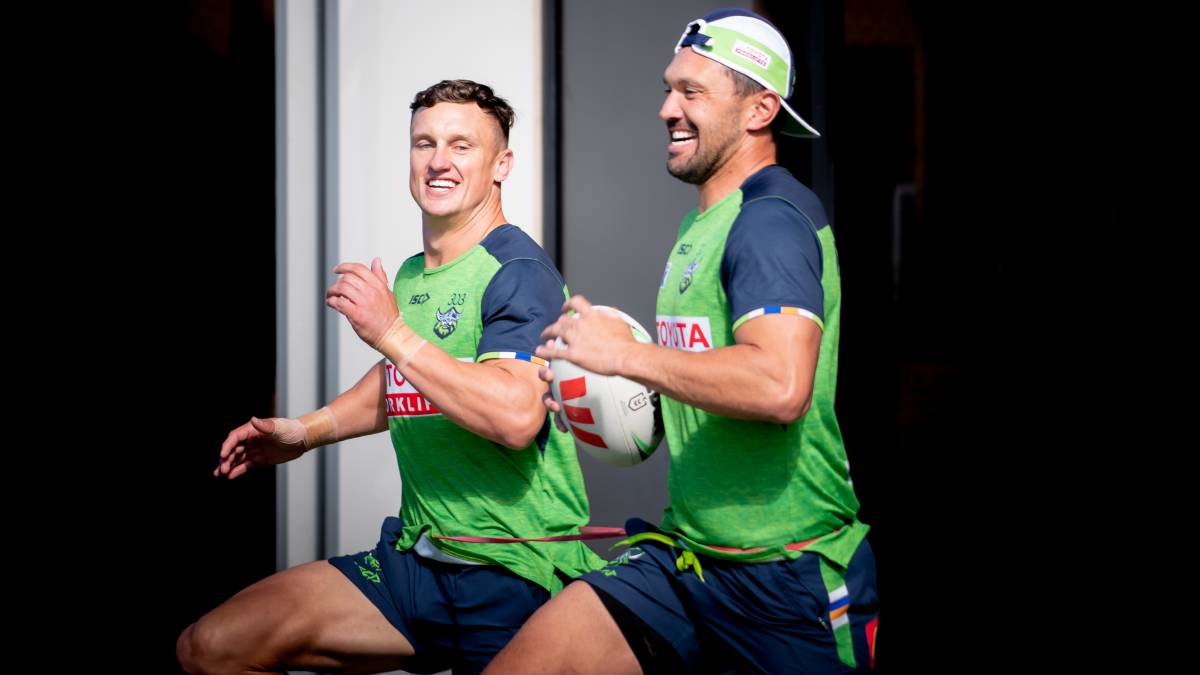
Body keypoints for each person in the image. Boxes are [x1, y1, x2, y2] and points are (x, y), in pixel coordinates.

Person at [486, 10, 878, 674]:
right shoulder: (706, 223)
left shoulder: (769, 221)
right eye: (670, 88)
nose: (668, 108)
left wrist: (625, 357)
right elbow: (706, 381)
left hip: (786, 580)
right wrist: (602, 390)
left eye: (692, 92)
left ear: (759, 109)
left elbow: (780, 386)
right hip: (688, 557)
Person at [177, 79, 603, 675]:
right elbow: (405, 383)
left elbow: (514, 415)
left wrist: (394, 334)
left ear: (501, 164)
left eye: (461, 145)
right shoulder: (411, 274)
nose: (438, 161)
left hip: (510, 572)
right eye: (423, 143)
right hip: (416, 561)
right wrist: (304, 433)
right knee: (214, 645)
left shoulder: (518, 270)